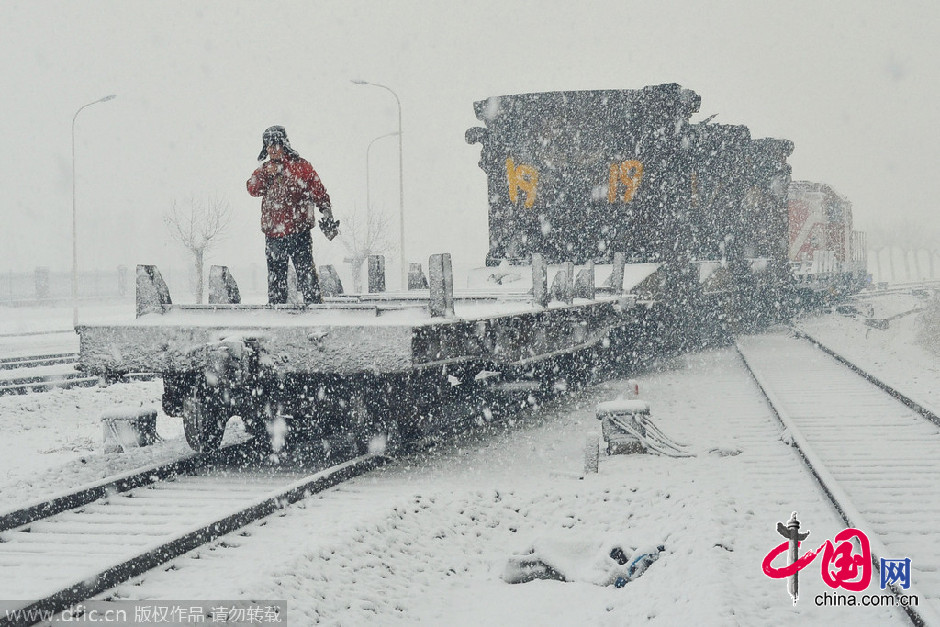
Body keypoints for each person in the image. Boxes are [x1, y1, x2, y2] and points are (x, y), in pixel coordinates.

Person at [246, 125, 339, 304]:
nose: (271, 149)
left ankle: (314, 312)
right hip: (273, 234)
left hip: (299, 231)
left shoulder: (302, 167)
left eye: (275, 144)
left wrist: (327, 213)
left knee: (307, 276)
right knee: (276, 281)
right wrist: (266, 174)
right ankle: (277, 314)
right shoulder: (265, 170)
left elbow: (319, 191)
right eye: (267, 145)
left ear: (284, 145)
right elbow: (252, 188)